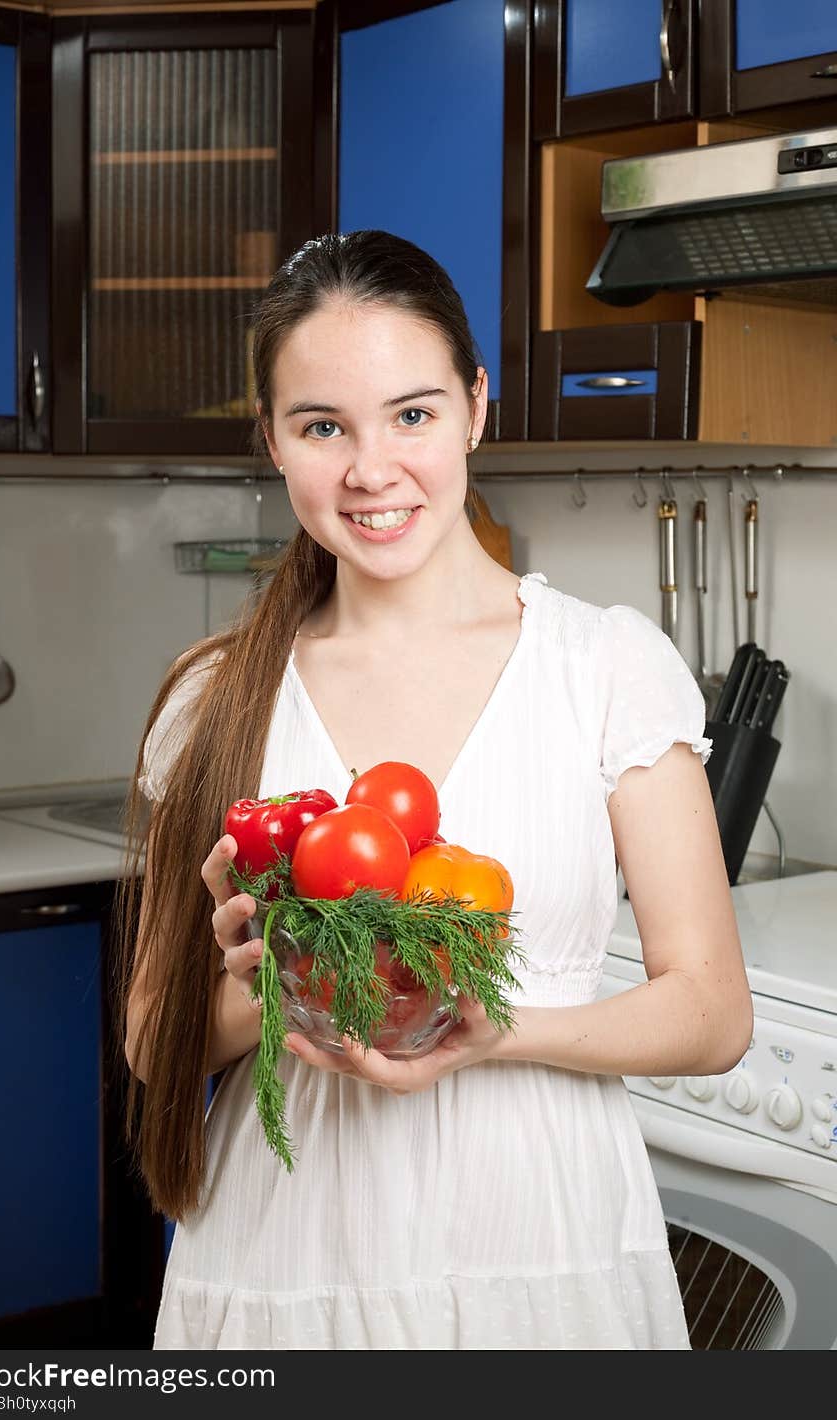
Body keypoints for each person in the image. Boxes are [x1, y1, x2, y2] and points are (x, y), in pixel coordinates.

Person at [115, 229, 753, 1351]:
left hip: (545, 1242)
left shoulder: (603, 665)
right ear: (271, 439)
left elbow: (710, 1012)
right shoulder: (216, 697)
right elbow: (152, 1035)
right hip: (290, 1254)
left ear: (475, 405)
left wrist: (487, 1033)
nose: (371, 470)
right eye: (323, 426)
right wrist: (278, 980)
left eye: (411, 414)